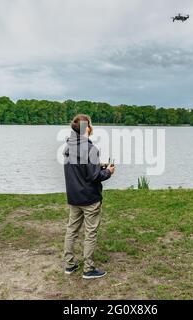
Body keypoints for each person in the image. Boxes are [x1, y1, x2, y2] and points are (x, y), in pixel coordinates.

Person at [63, 114, 115, 279]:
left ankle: (69, 265)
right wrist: (108, 171)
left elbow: (80, 167)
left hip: (74, 197)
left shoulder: (68, 147)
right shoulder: (90, 149)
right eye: (90, 124)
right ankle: (88, 269)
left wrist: (98, 165)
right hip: (89, 198)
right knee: (90, 232)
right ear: (87, 128)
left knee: (72, 230)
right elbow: (94, 176)